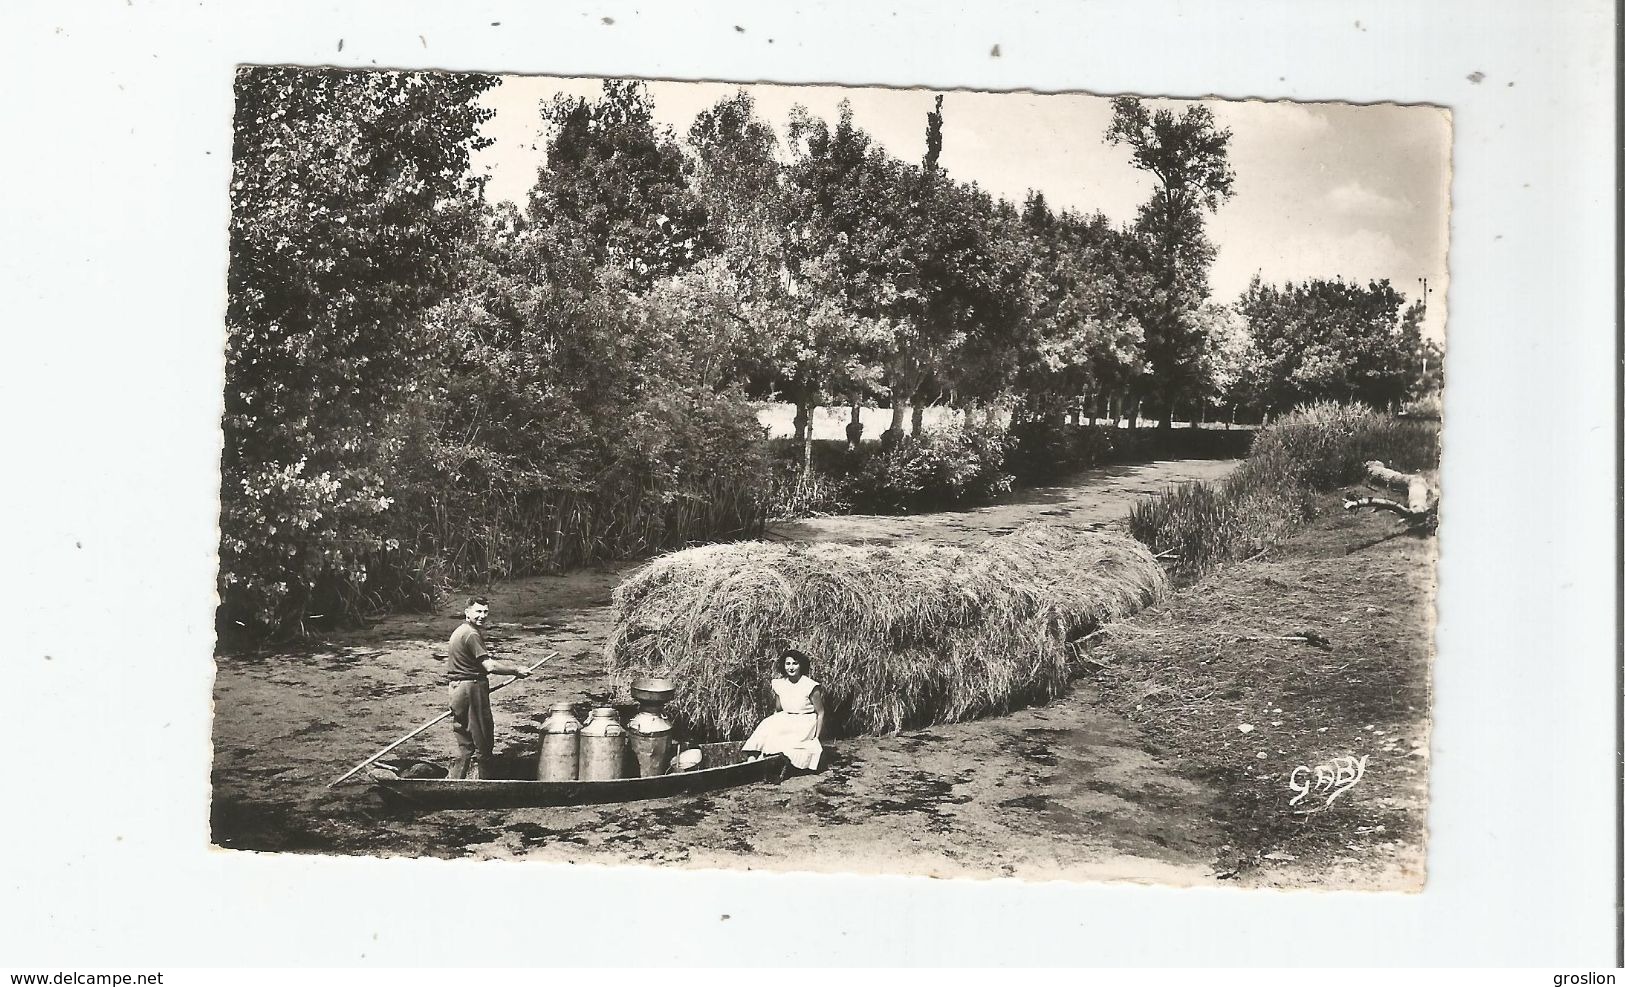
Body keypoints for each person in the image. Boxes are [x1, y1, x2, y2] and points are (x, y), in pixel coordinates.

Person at [445, 596, 530, 779]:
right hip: (471, 689)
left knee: (465, 743)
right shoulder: (471, 634)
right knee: (483, 740)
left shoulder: (460, 631)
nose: (482, 616)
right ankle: (485, 783)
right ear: (467, 612)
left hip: (456, 689)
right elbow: (489, 666)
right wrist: (515, 670)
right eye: (478, 611)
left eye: (485, 612)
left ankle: (457, 783)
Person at [742, 648, 825, 771]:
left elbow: (821, 712)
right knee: (767, 725)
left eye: (795, 664)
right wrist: (774, 723)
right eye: (788, 664)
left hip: (805, 721)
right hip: (787, 717)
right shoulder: (780, 684)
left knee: (787, 741)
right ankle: (754, 757)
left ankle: (768, 759)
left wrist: (817, 737)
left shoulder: (810, 686)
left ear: (801, 665)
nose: (791, 667)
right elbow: (779, 708)